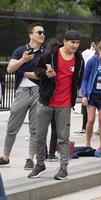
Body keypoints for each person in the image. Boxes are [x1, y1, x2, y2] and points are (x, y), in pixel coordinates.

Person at [28, 30, 84, 180]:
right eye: (72, 42)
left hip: (64, 104)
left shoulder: (79, 59)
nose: (75, 46)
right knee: (39, 136)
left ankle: (63, 168)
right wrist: (45, 75)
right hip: (45, 101)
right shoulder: (50, 54)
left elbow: (79, 79)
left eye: (78, 43)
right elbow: (37, 69)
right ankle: (39, 165)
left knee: (63, 138)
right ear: (64, 41)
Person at [0, 23, 45, 169]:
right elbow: (10, 68)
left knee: (35, 128)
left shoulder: (45, 53)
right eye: (39, 32)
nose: (42, 35)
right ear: (31, 34)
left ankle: (30, 158)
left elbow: (43, 76)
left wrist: (23, 72)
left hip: (38, 92)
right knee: (12, 126)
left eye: (43, 32)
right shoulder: (20, 51)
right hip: (22, 92)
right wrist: (23, 61)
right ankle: (5, 156)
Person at [81, 39, 101, 154]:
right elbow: (85, 78)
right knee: (90, 120)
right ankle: (88, 143)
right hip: (92, 94)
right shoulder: (92, 61)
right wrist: (84, 94)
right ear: (98, 51)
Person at [78, 41, 96, 134]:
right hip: (88, 83)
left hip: (87, 83)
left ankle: (84, 127)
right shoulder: (90, 56)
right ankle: (85, 127)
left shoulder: (85, 53)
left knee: (85, 108)